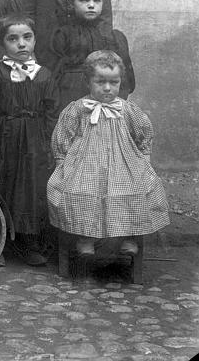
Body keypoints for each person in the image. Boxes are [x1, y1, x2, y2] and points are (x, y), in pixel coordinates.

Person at [47, 50, 169, 258]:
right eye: (100, 82)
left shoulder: (127, 109)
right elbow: (63, 135)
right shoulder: (78, 108)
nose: (107, 88)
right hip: (86, 163)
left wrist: (144, 162)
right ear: (87, 82)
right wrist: (62, 163)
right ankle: (86, 238)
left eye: (114, 82)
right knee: (82, 192)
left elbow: (143, 133)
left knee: (135, 190)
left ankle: (130, 236)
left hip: (123, 162)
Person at [0, 15, 58, 266]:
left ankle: (27, 243)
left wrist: (49, 145)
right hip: (5, 138)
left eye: (27, 37)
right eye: (13, 39)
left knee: (30, 190)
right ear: (3, 44)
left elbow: (52, 113)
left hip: (33, 141)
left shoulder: (45, 75)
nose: (21, 44)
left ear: (35, 40)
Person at [51, 0, 135, 113]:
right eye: (84, 0)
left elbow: (126, 78)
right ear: (72, 4)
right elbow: (56, 75)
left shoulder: (114, 37)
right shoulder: (64, 35)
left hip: (108, 102)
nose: (91, 5)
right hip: (73, 101)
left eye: (96, 0)